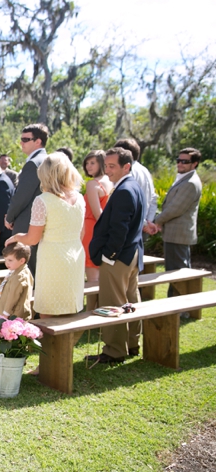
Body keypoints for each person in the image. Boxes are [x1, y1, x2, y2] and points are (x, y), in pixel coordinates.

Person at [5, 152, 85, 318]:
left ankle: (50, 345)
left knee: (48, 309)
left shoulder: (43, 200)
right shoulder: (80, 198)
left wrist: (16, 237)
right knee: (70, 307)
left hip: (52, 258)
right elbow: (81, 232)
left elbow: (32, 239)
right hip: (76, 254)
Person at [87, 147, 146, 364]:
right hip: (131, 253)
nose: (108, 170)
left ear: (126, 166)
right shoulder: (133, 186)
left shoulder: (124, 190)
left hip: (119, 256)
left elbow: (118, 229)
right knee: (131, 300)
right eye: (107, 166)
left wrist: (108, 255)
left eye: (112, 166)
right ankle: (131, 344)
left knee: (113, 303)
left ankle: (114, 351)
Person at [147, 148, 203, 299]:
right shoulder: (184, 178)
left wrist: (156, 222)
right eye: (179, 160)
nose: (180, 164)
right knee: (176, 270)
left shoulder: (190, 183)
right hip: (174, 233)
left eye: (185, 161)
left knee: (177, 271)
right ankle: (181, 303)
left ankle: (180, 306)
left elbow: (175, 209)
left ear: (195, 164)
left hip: (178, 234)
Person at [5, 124, 49, 276]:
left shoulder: (33, 163)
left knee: (27, 269)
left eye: (26, 139)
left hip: (28, 223)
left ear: (38, 142)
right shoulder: (49, 160)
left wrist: (9, 217)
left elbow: (22, 196)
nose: (21, 143)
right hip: (44, 222)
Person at [114, 138, 157, 237]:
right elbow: (153, 198)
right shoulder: (145, 170)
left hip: (129, 226)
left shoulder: (126, 171)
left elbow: (125, 201)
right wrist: (148, 221)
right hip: (142, 225)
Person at [81, 150, 113, 282]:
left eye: (93, 163)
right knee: (100, 274)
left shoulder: (93, 184)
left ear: (101, 163)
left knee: (92, 275)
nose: (89, 166)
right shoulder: (111, 181)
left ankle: (93, 303)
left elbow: (97, 213)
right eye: (87, 163)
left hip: (92, 230)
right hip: (105, 229)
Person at [0, 243, 33, 320]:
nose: (7, 263)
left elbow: (13, 296)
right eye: (5, 259)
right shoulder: (19, 271)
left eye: (10, 260)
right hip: (14, 312)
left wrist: (6, 313)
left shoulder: (19, 276)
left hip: (14, 314)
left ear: (22, 260)